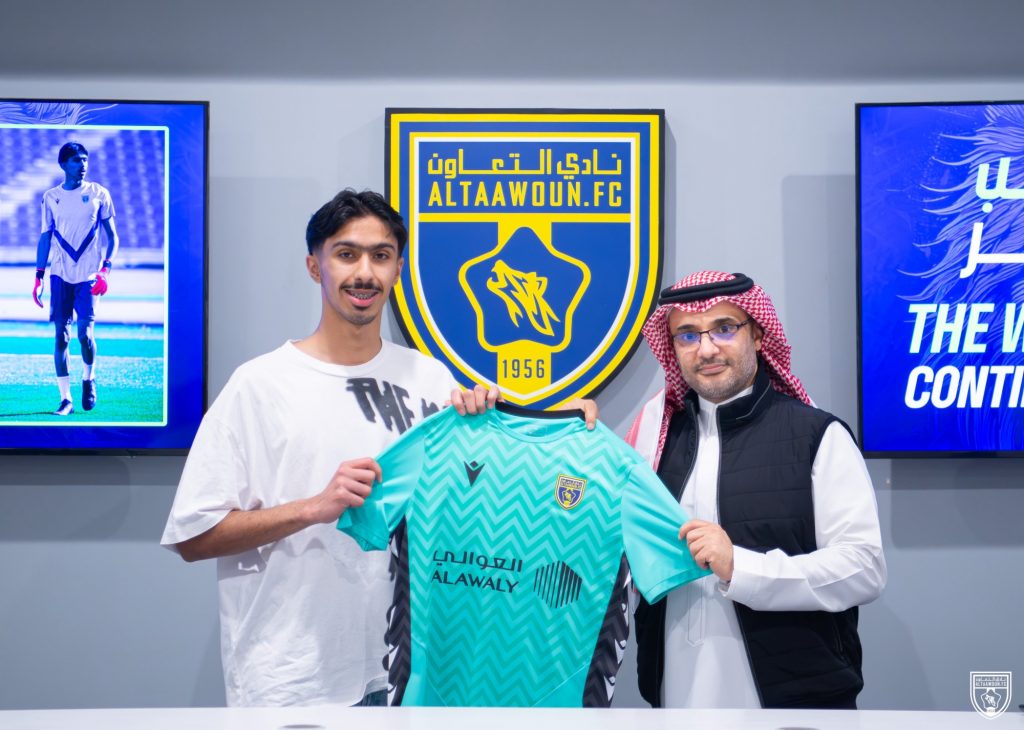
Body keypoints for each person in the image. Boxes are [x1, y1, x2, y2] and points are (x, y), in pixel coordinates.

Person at [160, 189, 595, 707]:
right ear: (314, 266)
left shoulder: (431, 380)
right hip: (295, 682)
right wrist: (313, 508)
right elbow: (194, 536)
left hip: (413, 675)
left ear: (397, 269)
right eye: (346, 254)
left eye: (381, 256)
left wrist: (561, 426)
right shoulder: (259, 385)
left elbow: (486, 505)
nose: (364, 273)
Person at [626, 270, 886, 710]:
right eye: (687, 335)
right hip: (675, 702)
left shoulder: (815, 436)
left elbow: (864, 568)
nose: (706, 349)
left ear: (759, 334)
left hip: (794, 707)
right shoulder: (655, 440)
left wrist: (741, 568)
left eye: (724, 328)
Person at [34, 142, 119, 415]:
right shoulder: (50, 197)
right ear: (63, 164)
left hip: (89, 275)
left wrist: (105, 270)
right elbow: (45, 237)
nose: (82, 164)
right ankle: (65, 399)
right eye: (76, 160)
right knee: (61, 336)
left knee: (85, 334)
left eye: (85, 159)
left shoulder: (99, 194)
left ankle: (88, 378)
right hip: (60, 274)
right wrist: (38, 276)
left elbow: (113, 237)